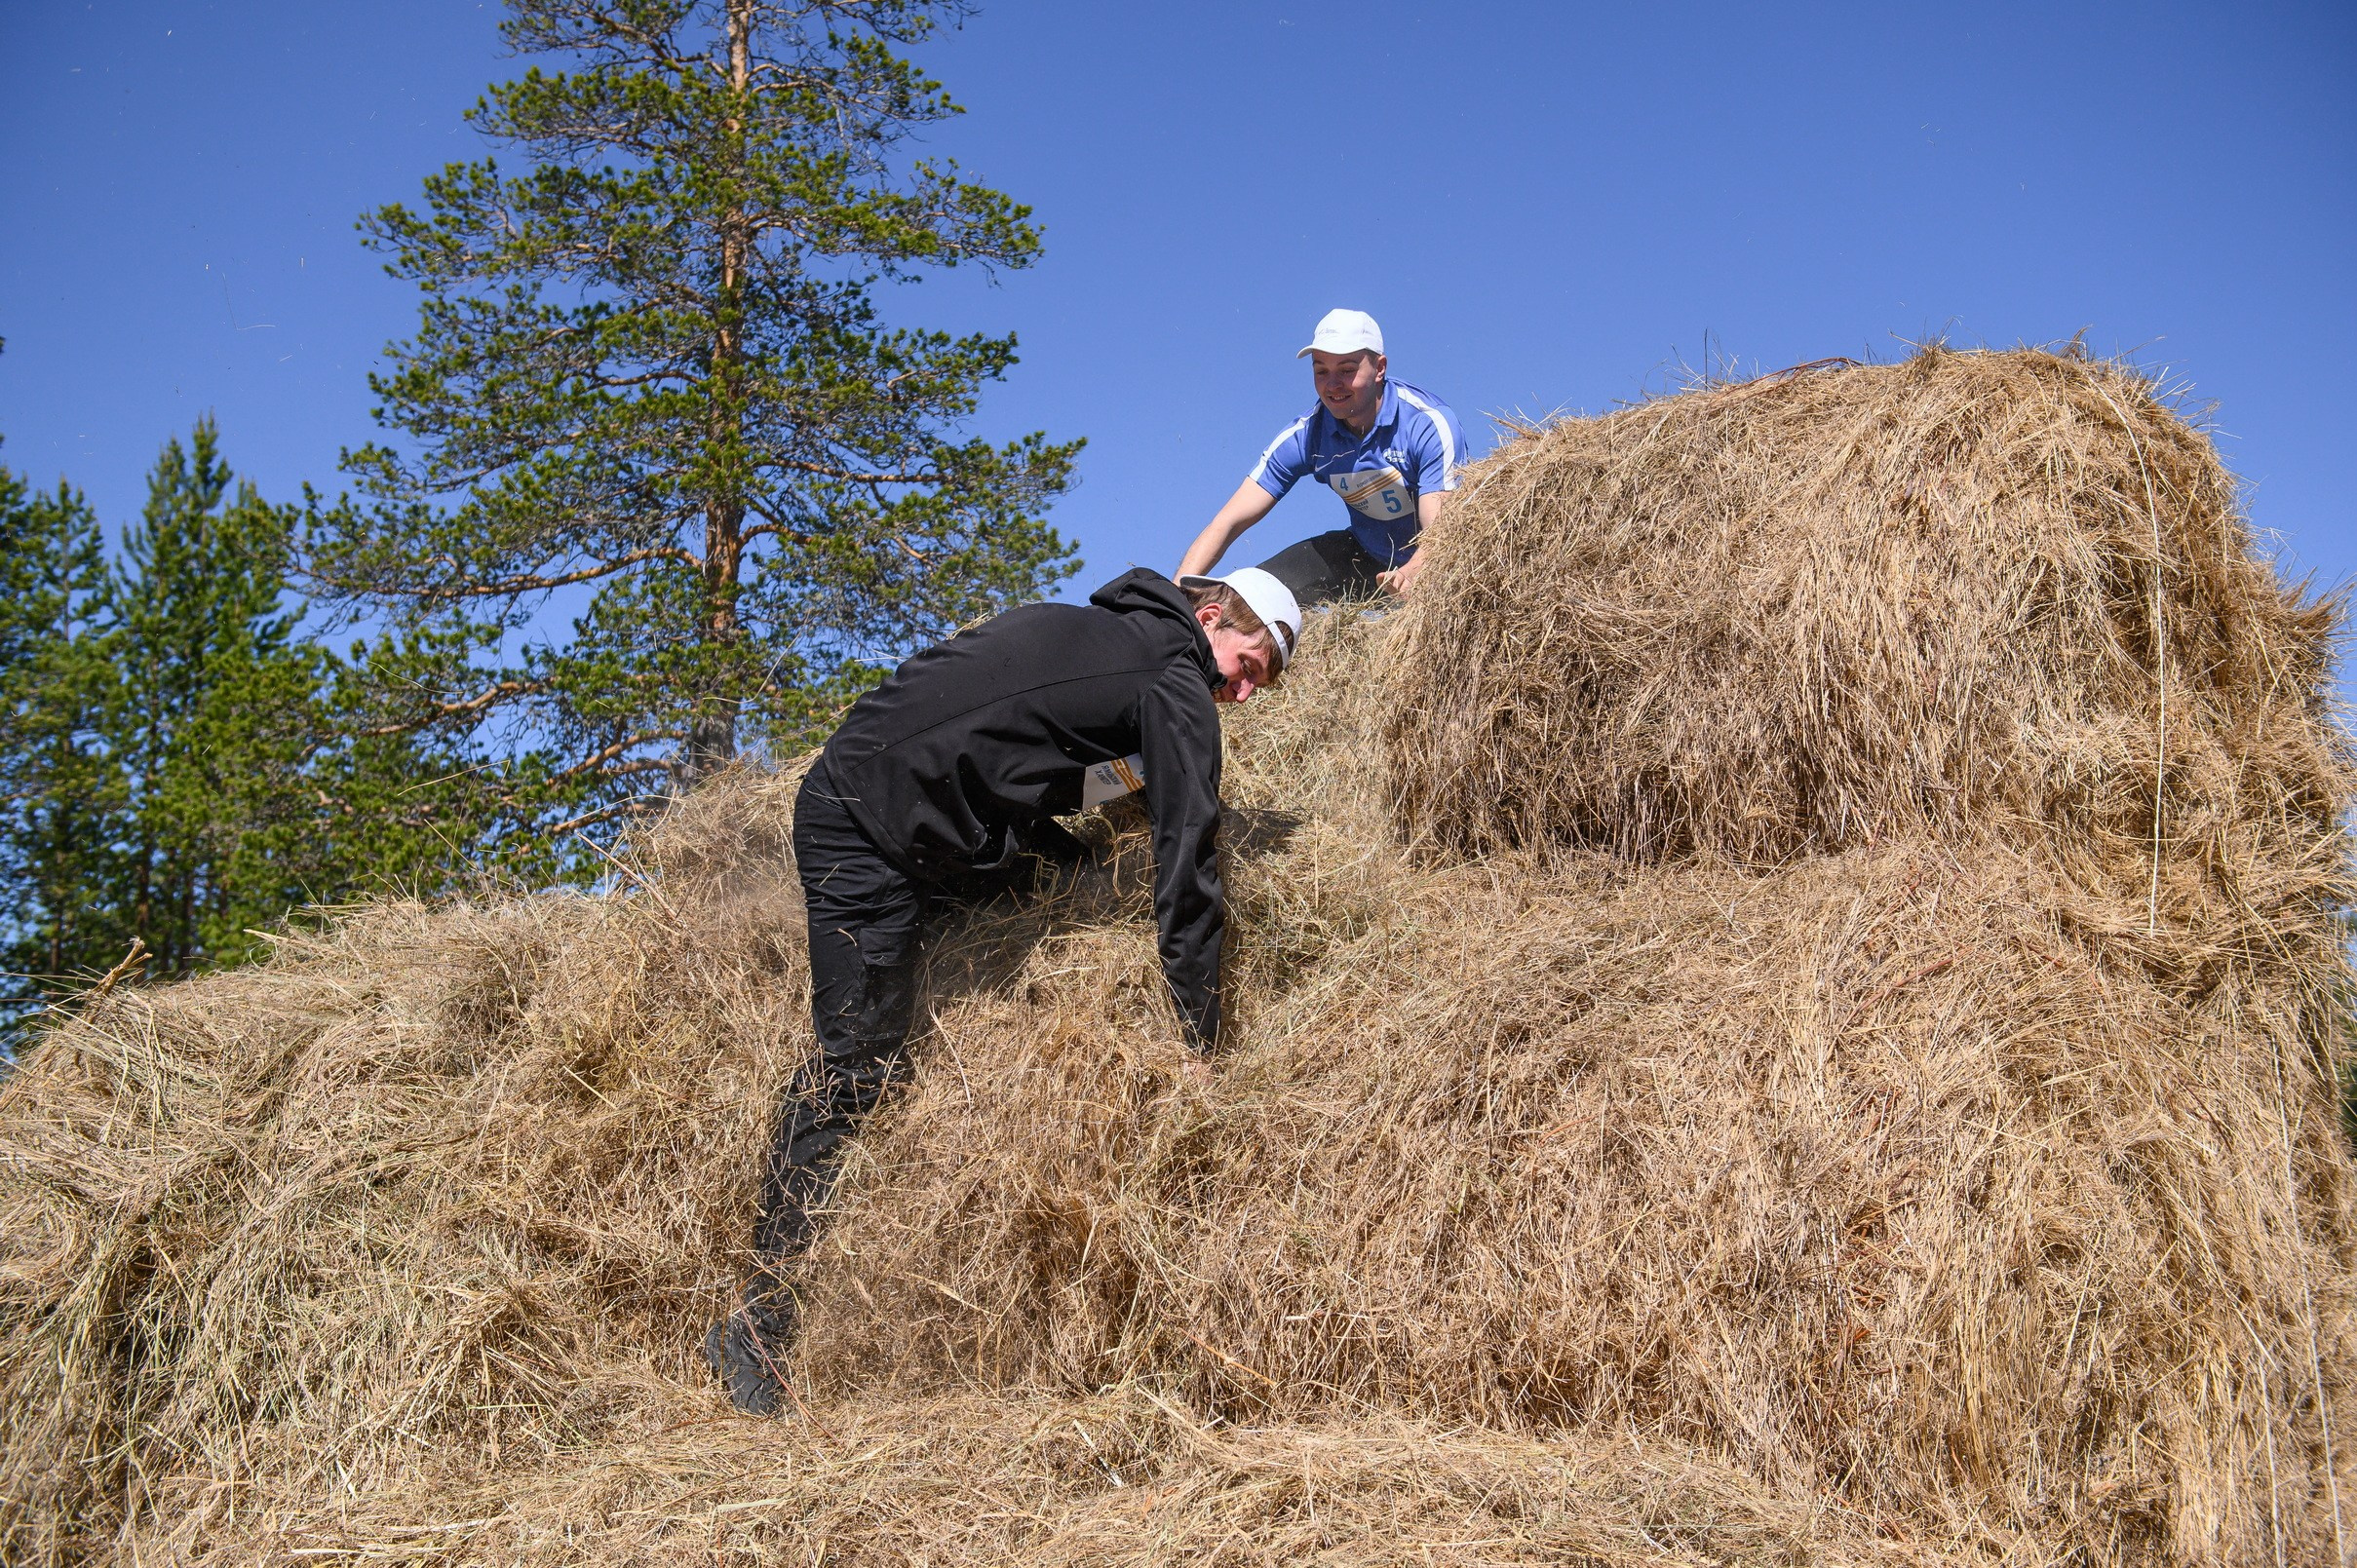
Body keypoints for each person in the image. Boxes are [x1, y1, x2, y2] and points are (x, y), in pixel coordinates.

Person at [705, 564, 1303, 1415]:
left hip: (906, 799)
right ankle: (759, 1322)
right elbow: (1189, 865)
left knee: (1048, 886)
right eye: (1247, 667)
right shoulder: (1174, 683)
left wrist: (1083, 851)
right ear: (1211, 618)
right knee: (857, 1068)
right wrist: (1199, 1036)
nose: (1241, 694)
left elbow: (1045, 757)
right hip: (870, 828)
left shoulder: (1114, 628)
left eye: (1258, 686)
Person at [1176, 308, 1467, 605]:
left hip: (1437, 566)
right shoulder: (1308, 434)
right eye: (1321, 371)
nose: (1332, 385)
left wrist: (1409, 574)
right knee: (1247, 601)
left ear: (1380, 368)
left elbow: (1441, 535)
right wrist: (1174, 595)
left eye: (1346, 369)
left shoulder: (1427, 425)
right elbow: (1228, 521)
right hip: (1363, 554)